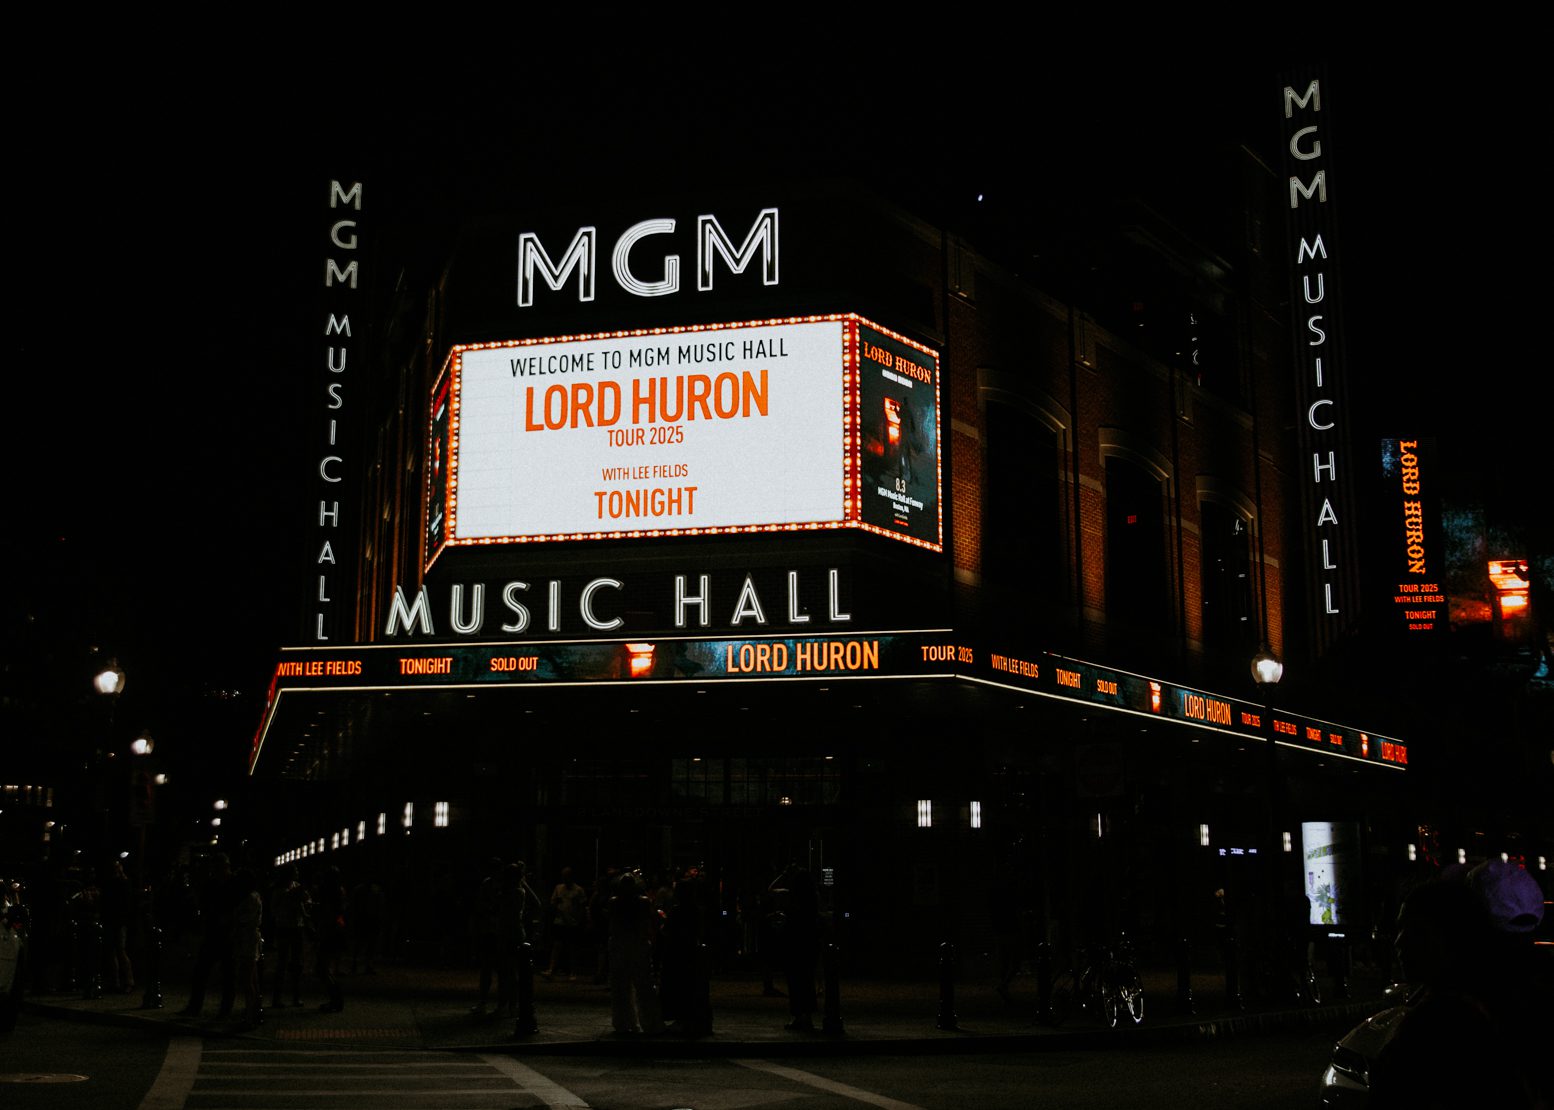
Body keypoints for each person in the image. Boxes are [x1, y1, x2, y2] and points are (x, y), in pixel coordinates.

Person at [1369, 866, 1546, 1109]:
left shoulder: (1443, 1021)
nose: (1400, 942)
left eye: (1417, 931)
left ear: (1456, 935)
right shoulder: (1525, 996)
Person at [607, 872, 662, 1035]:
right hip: (638, 944)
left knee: (621, 987)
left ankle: (624, 1022)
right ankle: (649, 1022)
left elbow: (612, 925)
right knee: (644, 986)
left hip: (620, 945)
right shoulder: (643, 902)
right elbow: (650, 922)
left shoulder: (614, 902)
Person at [771, 865, 819, 1031]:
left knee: (796, 982)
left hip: (795, 947)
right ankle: (807, 1016)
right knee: (807, 981)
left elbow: (772, 890)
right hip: (809, 946)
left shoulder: (793, 900)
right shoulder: (812, 901)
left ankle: (799, 1016)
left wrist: (784, 875)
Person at [268, 866, 307, 1009]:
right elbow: (274, 909)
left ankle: (295, 996)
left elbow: (306, 900)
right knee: (282, 963)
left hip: (296, 927)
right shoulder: (279, 890)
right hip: (285, 927)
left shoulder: (296, 886)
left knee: (296, 963)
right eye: (295, 871)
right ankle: (278, 998)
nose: (297, 873)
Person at [542, 867, 587, 981]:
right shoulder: (558, 888)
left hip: (572, 922)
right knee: (557, 946)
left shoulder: (578, 890)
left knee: (572, 947)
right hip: (560, 921)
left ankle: (573, 971)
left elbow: (582, 907)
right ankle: (551, 969)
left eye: (567, 876)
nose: (565, 879)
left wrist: (579, 920)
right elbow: (553, 903)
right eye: (563, 876)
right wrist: (555, 904)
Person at [313, 867, 347, 1013]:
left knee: (322, 968)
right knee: (324, 967)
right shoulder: (340, 892)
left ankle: (336, 1000)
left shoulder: (329, 896)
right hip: (336, 930)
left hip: (329, 932)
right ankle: (336, 999)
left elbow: (327, 915)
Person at [232, 869, 263, 1028]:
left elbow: (243, 918)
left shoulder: (250, 899)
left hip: (248, 938)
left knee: (247, 978)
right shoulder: (254, 897)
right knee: (252, 978)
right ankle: (255, 1012)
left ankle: (250, 1015)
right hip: (250, 938)